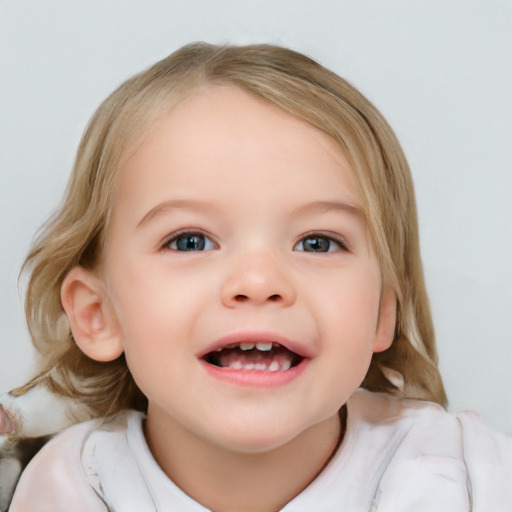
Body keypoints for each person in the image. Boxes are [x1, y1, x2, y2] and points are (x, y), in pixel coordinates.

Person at [3, 42, 511, 511]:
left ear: (382, 310)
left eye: (318, 242)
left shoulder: (468, 477)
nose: (259, 281)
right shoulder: (71, 486)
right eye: (189, 241)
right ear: (98, 314)